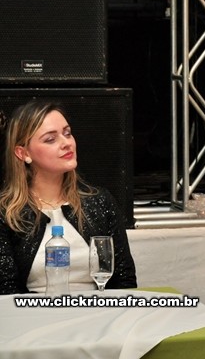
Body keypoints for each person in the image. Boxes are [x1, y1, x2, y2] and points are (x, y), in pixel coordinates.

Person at [0, 101, 137, 295]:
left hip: (96, 309)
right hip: (31, 311)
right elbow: (5, 290)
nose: (66, 143)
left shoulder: (99, 202)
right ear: (23, 153)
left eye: (67, 133)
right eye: (50, 139)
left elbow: (124, 280)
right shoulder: (6, 213)